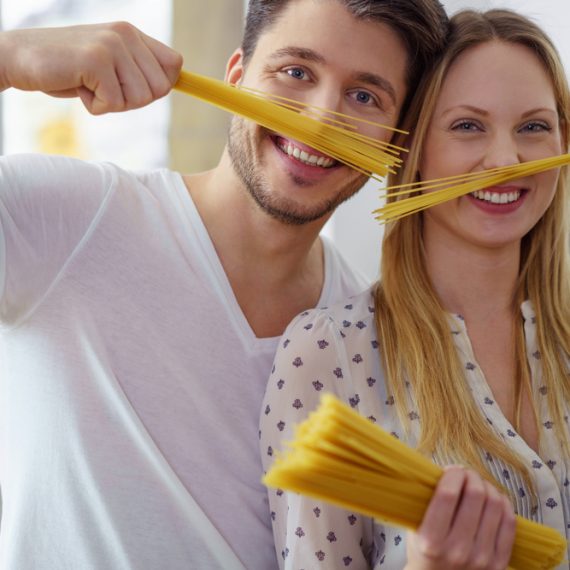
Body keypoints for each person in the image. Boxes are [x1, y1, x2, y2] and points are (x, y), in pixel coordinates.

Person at [0, 1, 449, 569]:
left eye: (365, 96)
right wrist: (9, 58)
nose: (318, 120)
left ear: (396, 140)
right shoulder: (65, 222)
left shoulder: (369, 346)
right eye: (296, 73)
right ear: (236, 75)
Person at [261, 8, 570, 570]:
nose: (505, 161)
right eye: (467, 126)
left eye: (533, 126)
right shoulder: (329, 355)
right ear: (412, 153)